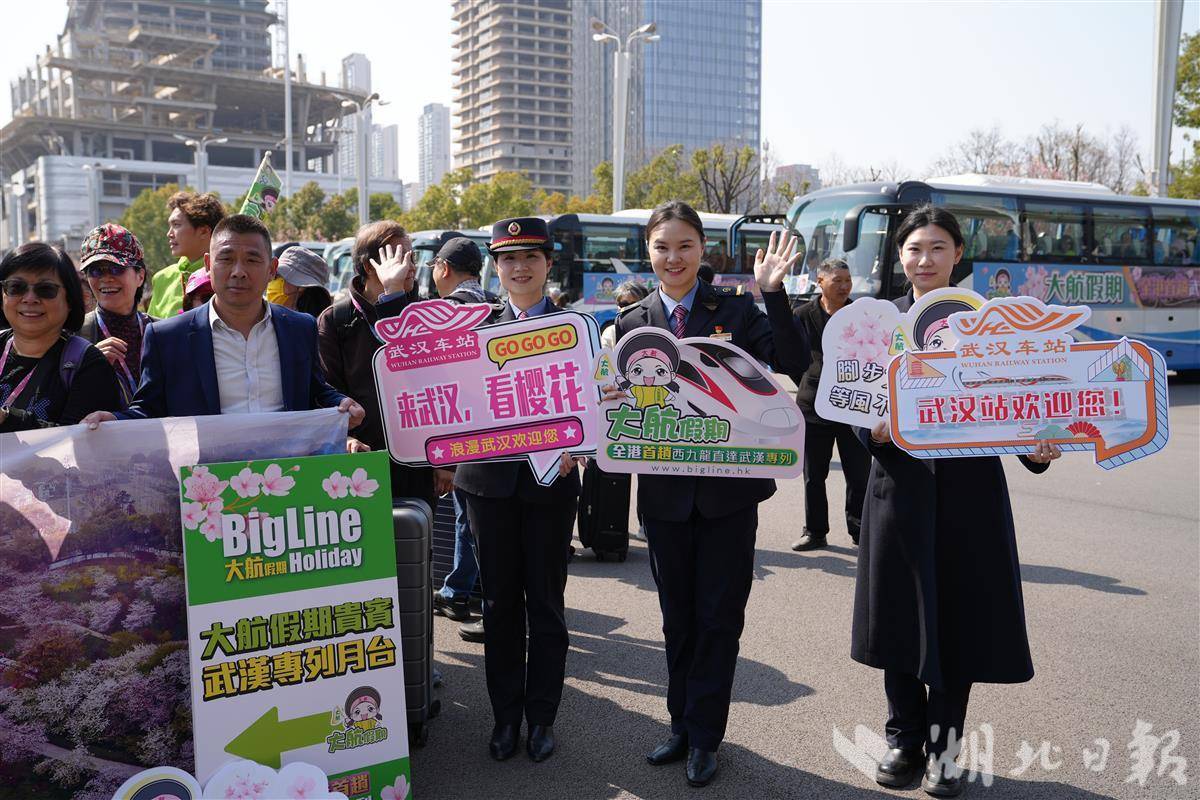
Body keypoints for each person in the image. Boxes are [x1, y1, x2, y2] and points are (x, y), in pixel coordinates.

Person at [854, 205, 1060, 797]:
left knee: (959, 622)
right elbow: (849, 401)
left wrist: (1039, 449)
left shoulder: (991, 326)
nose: (925, 259)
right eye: (914, 248)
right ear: (899, 256)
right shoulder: (877, 324)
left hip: (970, 499)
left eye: (938, 247)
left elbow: (1019, 404)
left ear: (958, 254)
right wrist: (872, 432)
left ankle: (944, 750)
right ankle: (903, 739)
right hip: (898, 491)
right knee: (897, 617)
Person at [604, 201, 809, 788]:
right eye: (662, 247)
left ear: (702, 250)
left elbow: (794, 362)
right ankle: (679, 725)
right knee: (677, 620)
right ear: (649, 251)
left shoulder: (737, 310)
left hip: (728, 498)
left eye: (685, 246)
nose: (674, 258)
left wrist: (774, 293)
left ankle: (705, 738)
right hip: (665, 499)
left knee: (719, 619)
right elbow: (616, 404)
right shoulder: (632, 321)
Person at [454, 217, 583, 765]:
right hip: (487, 485)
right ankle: (505, 717)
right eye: (508, 258)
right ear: (496, 266)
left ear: (549, 264)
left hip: (551, 484)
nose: (520, 267)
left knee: (546, 604)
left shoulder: (576, 328)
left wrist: (583, 446)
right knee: (499, 604)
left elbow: (594, 401)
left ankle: (542, 717)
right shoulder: (474, 329)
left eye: (531, 257)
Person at [82, 214, 362, 427]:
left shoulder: (300, 328)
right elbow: (148, 409)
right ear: (208, 265)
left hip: (287, 478)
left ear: (271, 269)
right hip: (208, 482)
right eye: (226, 259)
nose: (238, 271)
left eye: (252, 260)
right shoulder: (167, 337)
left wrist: (341, 404)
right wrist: (114, 420)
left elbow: (315, 391)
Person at [316, 221, 443, 511]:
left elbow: (439, 385)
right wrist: (345, 437)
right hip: (361, 461)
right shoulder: (336, 320)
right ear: (369, 266)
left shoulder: (425, 314)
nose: (411, 266)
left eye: (412, 256)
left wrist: (446, 462)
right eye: (399, 256)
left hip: (417, 460)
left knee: (416, 536)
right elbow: (326, 390)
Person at [427, 233, 496, 625]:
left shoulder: (446, 311)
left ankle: (460, 592)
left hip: (461, 426)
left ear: (443, 268)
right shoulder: (497, 304)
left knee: (467, 515)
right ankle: (465, 589)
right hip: (498, 423)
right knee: (477, 515)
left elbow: (441, 382)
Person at [789, 258, 870, 551]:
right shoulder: (801, 315)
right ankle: (815, 531)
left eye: (848, 280)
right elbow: (791, 358)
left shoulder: (861, 315)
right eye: (837, 280)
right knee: (813, 475)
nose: (844, 286)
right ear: (820, 281)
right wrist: (810, 380)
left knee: (858, 474)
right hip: (813, 406)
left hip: (854, 406)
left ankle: (860, 531)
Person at [0, 243, 123, 432]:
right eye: (16, 287)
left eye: (45, 289)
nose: (30, 298)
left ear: (70, 299)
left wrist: (7, 418)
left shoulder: (89, 365)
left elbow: (80, 440)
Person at [77, 224, 156, 406]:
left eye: (116, 268)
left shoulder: (165, 334)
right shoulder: (73, 337)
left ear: (140, 276)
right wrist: (90, 366)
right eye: (95, 270)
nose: (106, 278)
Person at [147, 191, 225, 318]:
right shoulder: (162, 278)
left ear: (204, 231)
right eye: (170, 226)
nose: (169, 234)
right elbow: (151, 328)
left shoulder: (227, 275)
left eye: (176, 225)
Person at [271, 246, 333, 318]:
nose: (271, 281)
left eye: (278, 277)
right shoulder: (266, 316)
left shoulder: (313, 324)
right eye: (274, 276)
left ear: (302, 287)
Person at [600, 280, 651, 350]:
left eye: (635, 304)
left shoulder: (654, 329)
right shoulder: (611, 332)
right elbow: (604, 355)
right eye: (624, 304)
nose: (629, 308)